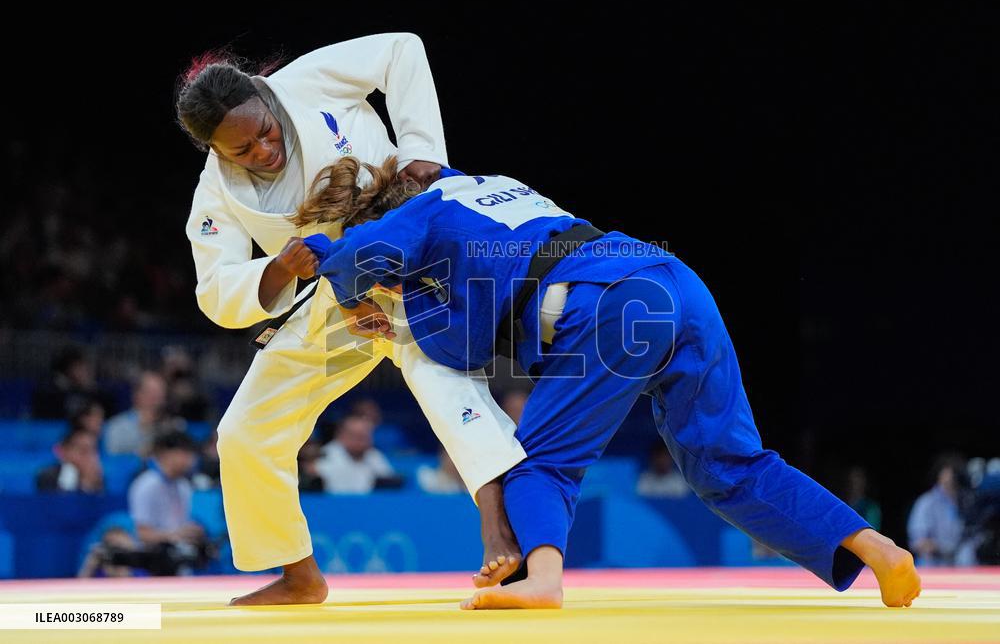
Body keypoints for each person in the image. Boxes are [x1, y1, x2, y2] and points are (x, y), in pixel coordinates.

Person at [302, 155, 922, 610]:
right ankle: (875, 548)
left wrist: (358, 301)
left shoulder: (419, 214)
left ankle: (542, 580)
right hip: (673, 280)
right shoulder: (492, 188)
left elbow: (355, 257)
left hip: (614, 306)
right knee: (729, 465)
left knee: (538, 463)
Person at [175, 33, 524, 605]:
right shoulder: (215, 197)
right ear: (213, 150)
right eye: (243, 150)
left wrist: (419, 147)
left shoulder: (308, 81)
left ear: (265, 99)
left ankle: (505, 535)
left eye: (265, 130)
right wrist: (278, 271)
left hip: (412, 269)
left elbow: (403, 50)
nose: (264, 150)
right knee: (244, 433)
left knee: (446, 388)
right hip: (340, 306)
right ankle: (298, 576)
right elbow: (214, 290)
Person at [127, 431, 207, 575]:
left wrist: (191, 531)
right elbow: (142, 534)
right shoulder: (146, 485)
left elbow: (181, 524)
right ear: (166, 454)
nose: (190, 460)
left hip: (179, 559)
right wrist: (174, 534)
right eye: (184, 453)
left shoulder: (183, 486)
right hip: (152, 565)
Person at [907, 453, 977, 566]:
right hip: (933, 565)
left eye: (954, 478)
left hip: (962, 566)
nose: (950, 482)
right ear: (938, 476)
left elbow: (975, 536)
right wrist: (940, 549)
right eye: (946, 477)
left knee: (967, 554)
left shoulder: (968, 501)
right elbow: (918, 542)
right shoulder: (926, 503)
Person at [104, 371, 185, 457]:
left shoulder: (175, 425)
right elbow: (112, 462)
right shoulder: (116, 427)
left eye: (160, 393)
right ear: (136, 394)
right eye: (151, 392)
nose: (156, 398)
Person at [315, 415, 397, 494]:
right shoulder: (325, 455)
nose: (363, 441)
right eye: (358, 436)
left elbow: (389, 483)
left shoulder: (374, 455)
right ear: (341, 435)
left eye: (366, 436)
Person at [35, 428, 104, 494]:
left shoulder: (98, 478)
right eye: (83, 451)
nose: (90, 457)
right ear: (65, 451)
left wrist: (88, 486)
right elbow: (53, 504)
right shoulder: (47, 476)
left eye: (93, 451)